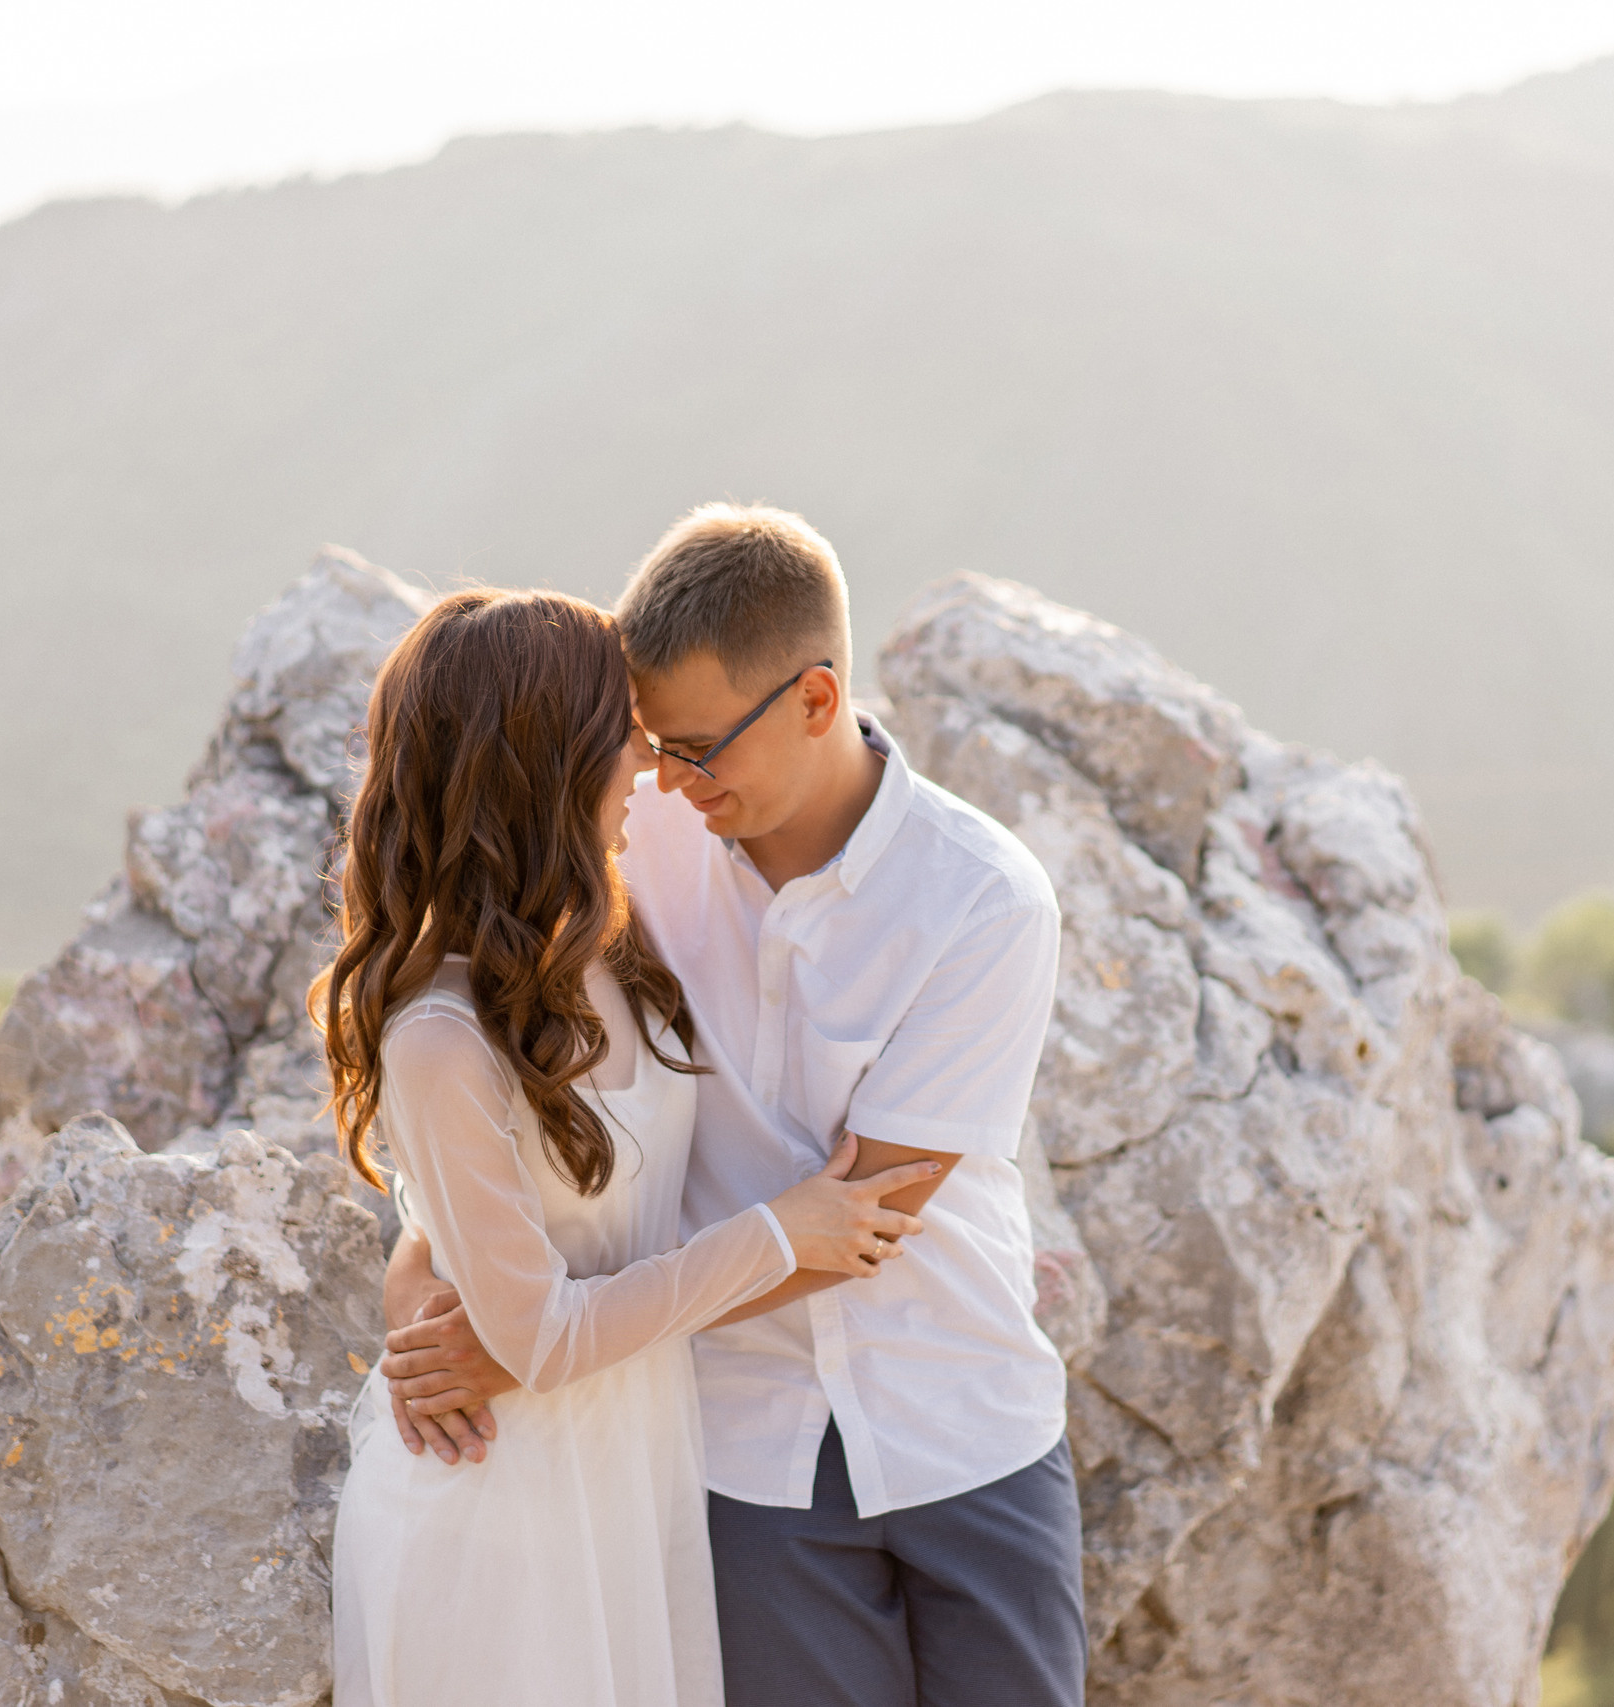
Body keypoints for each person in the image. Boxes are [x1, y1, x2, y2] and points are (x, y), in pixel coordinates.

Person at [381, 506, 1088, 1707]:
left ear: (816, 701)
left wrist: (532, 1347)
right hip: (736, 1451)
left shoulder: (982, 901)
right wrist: (433, 1267)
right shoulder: (634, 837)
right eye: (652, 745)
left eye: (699, 745)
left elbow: (862, 1214)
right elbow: (507, 1073)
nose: (666, 778)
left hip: (962, 1424)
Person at [322, 587, 939, 1707]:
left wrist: (418, 1275)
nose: (655, 772)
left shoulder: (608, 936)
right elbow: (543, 1338)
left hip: (637, 1471)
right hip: (503, 1504)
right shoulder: (438, 1037)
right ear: (547, 764)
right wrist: (775, 1236)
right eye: (628, 741)